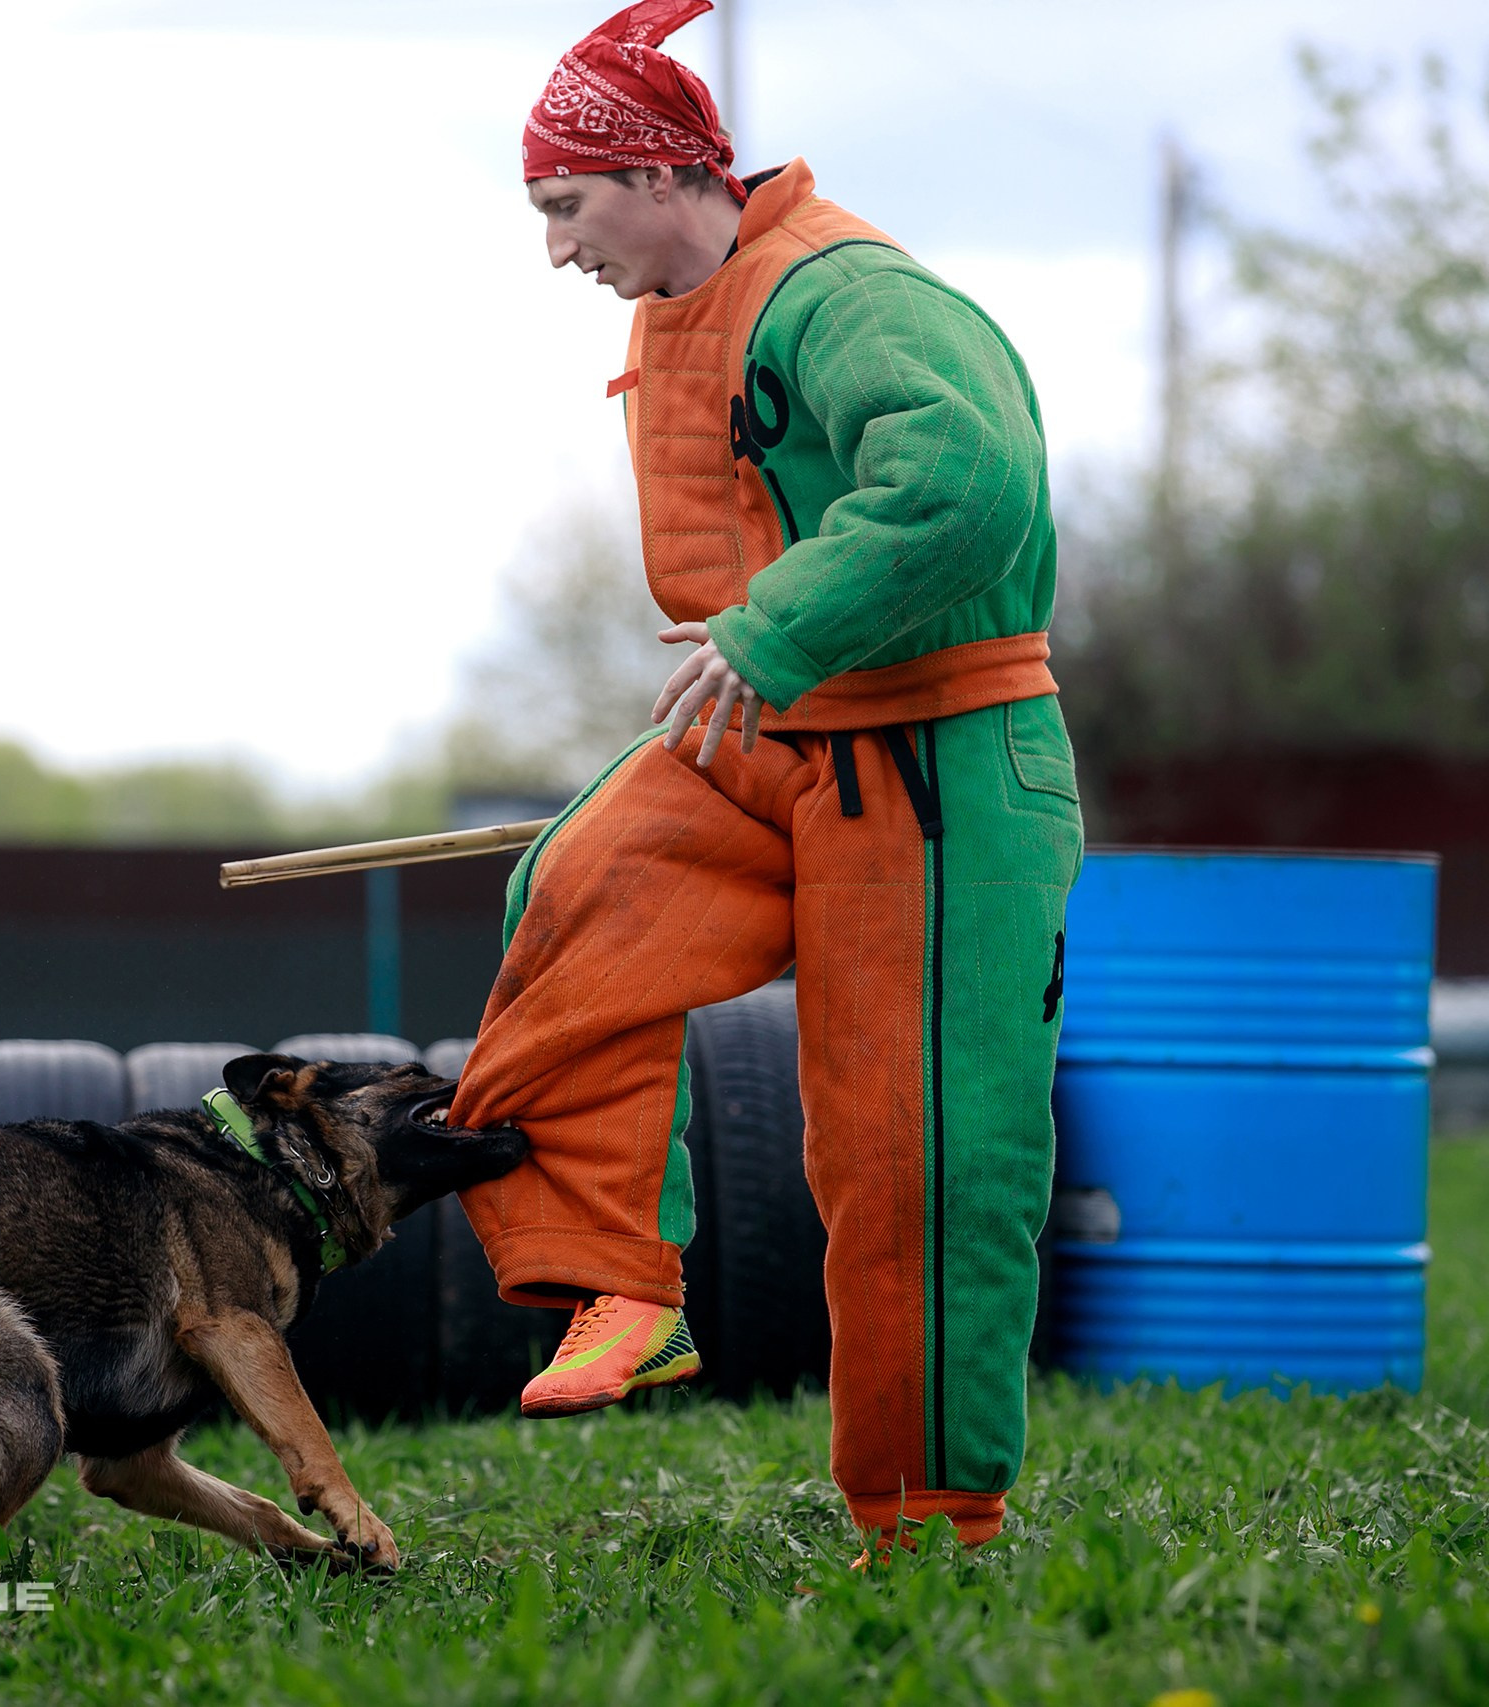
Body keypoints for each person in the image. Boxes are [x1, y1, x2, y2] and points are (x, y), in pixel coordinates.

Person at [447, 0, 1083, 1556]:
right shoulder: (703, 291)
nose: (554, 252)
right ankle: (624, 1282)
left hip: (942, 753)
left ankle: (931, 1515)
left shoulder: (845, 293)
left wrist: (779, 628)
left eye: (562, 207)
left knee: (912, 1154)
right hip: (790, 732)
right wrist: (776, 657)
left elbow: (968, 473)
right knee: (578, 883)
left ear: (660, 172)